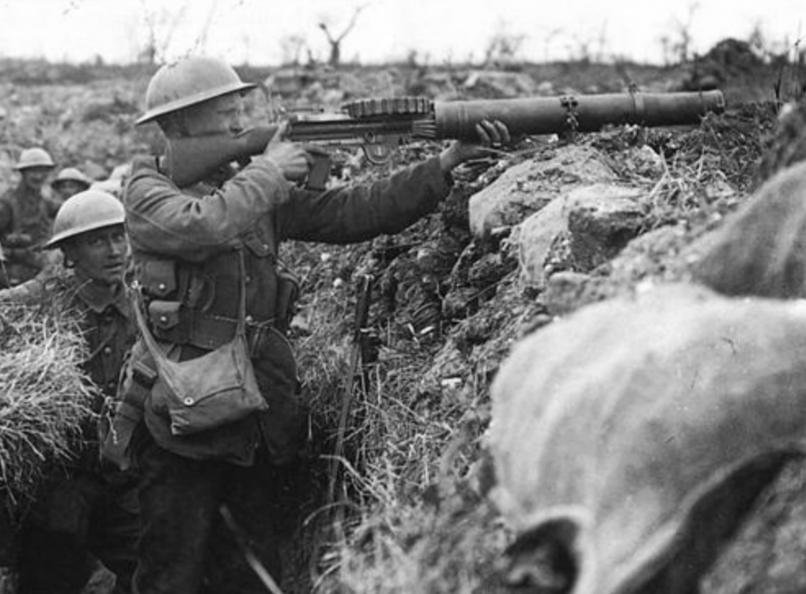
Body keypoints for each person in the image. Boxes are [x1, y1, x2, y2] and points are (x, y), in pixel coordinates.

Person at [113, 55, 510, 593]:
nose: (237, 123)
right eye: (223, 114)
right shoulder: (147, 190)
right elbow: (201, 226)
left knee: (250, 574)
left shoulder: (247, 184)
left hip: (252, 413)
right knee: (171, 572)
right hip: (181, 419)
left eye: (239, 109)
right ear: (176, 126)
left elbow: (350, 212)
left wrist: (441, 166)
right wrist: (269, 171)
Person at [0, 190, 140, 594]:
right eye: (98, 241)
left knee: (147, 568)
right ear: (70, 253)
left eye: (119, 237)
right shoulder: (40, 299)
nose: (115, 251)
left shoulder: (138, 303)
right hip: (58, 478)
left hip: (122, 470)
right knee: (51, 572)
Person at [0, 147, 56, 287]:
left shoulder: (44, 202)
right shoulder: (8, 202)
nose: (38, 176)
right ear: (23, 173)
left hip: (38, 270)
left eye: (43, 171)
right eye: (33, 171)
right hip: (11, 271)